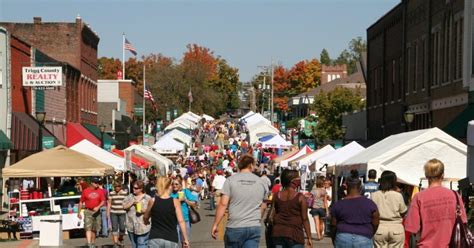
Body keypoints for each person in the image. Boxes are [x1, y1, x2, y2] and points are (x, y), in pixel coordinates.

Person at [405, 159, 467, 247]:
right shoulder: (455, 195)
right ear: (443, 175)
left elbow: (412, 228)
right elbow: (463, 221)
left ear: (426, 176)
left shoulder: (419, 197)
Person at [211, 154, 268, 247]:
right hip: (253, 226)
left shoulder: (230, 180)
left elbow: (223, 204)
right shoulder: (261, 182)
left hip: (235, 226)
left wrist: (215, 224)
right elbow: (263, 206)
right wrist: (257, 219)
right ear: (251, 165)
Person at [331, 176, 379, 248]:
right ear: (360, 187)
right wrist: (369, 234)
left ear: (346, 186)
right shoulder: (370, 204)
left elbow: (333, 224)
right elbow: (376, 223)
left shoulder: (339, 204)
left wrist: (334, 238)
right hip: (364, 237)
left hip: (343, 237)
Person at [270, 169, 313, 248]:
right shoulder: (300, 197)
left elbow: (273, 214)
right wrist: (309, 237)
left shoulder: (276, 195)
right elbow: (305, 219)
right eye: (298, 178)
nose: (300, 180)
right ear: (293, 181)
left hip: (278, 233)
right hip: (294, 235)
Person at [144, 176, 190, 248]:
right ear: (169, 186)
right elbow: (181, 221)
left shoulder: (152, 200)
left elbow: (146, 216)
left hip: (155, 237)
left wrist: (146, 221)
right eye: (172, 184)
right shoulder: (175, 201)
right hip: (171, 238)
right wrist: (185, 239)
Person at [370, 170, 407, 248]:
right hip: (396, 229)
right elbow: (403, 212)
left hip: (379, 229)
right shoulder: (398, 195)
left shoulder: (374, 195)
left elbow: (371, 213)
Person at [77, 177, 106, 248]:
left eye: (98, 183)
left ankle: (92, 243)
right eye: (96, 183)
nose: (97, 184)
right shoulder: (85, 191)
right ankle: (89, 244)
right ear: (92, 183)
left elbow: (103, 201)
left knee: (95, 229)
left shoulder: (100, 191)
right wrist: (79, 212)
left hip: (97, 212)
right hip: (88, 211)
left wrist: (98, 207)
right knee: (88, 228)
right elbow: (81, 202)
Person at [123, 180, 152, 248]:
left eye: (136, 188)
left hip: (143, 226)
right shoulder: (130, 197)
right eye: (133, 187)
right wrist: (132, 202)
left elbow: (152, 210)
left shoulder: (147, 198)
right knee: (134, 245)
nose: (133, 189)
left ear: (141, 188)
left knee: (141, 244)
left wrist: (145, 211)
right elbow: (124, 207)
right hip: (131, 226)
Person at [170, 176, 198, 245]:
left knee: (185, 241)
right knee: (176, 242)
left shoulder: (185, 191)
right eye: (173, 184)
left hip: (185, 220)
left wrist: (185, 200)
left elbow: (194, 203)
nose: (174, 186)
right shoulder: (170, 194)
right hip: (174, 221)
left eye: (176, 184)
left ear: (180, 185)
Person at [108, 181, 128, 248]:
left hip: (122, 212)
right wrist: (107, 212)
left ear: (121, 187)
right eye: (116, 186)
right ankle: (115, 243)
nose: (117, 187)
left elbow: (127, 202)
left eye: (118, 186)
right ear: (114, 187)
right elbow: (109, 203)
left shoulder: (125, 193)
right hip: (113, 212)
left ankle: (121, 238)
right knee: (114, 227)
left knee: (122, 228)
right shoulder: (111, 193)